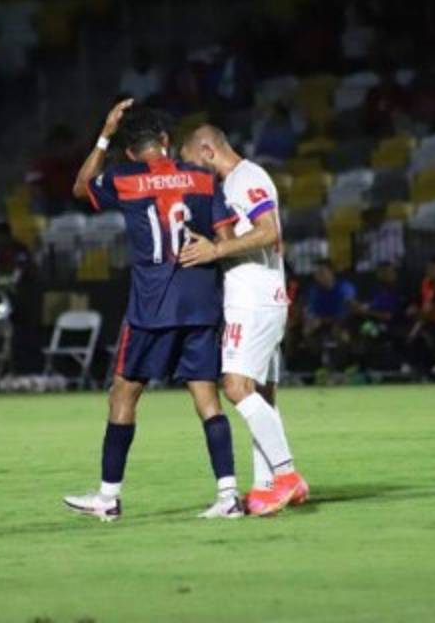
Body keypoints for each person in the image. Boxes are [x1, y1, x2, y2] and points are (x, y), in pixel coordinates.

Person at [63, 100, 241, 521]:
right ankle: (229, 494)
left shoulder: (124, 177)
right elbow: (227, 238)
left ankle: (108, 497)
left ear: (129, 151)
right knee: (207, 398)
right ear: (165, 140)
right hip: (200, 302)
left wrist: (104, 135)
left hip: (152, 307)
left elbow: (80, 188)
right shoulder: (202, 177)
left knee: (123, 394)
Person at [178, 125, 309, 516]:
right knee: (261, 395)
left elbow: (268, 231)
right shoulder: (232, 184)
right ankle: (267, 487)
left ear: (207, 150)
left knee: (235, 386)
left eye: (191, 162)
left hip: (253, 300)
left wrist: (216, 250)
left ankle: (287, 475)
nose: (191, 172)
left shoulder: (246, 178)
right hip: (262, 295)